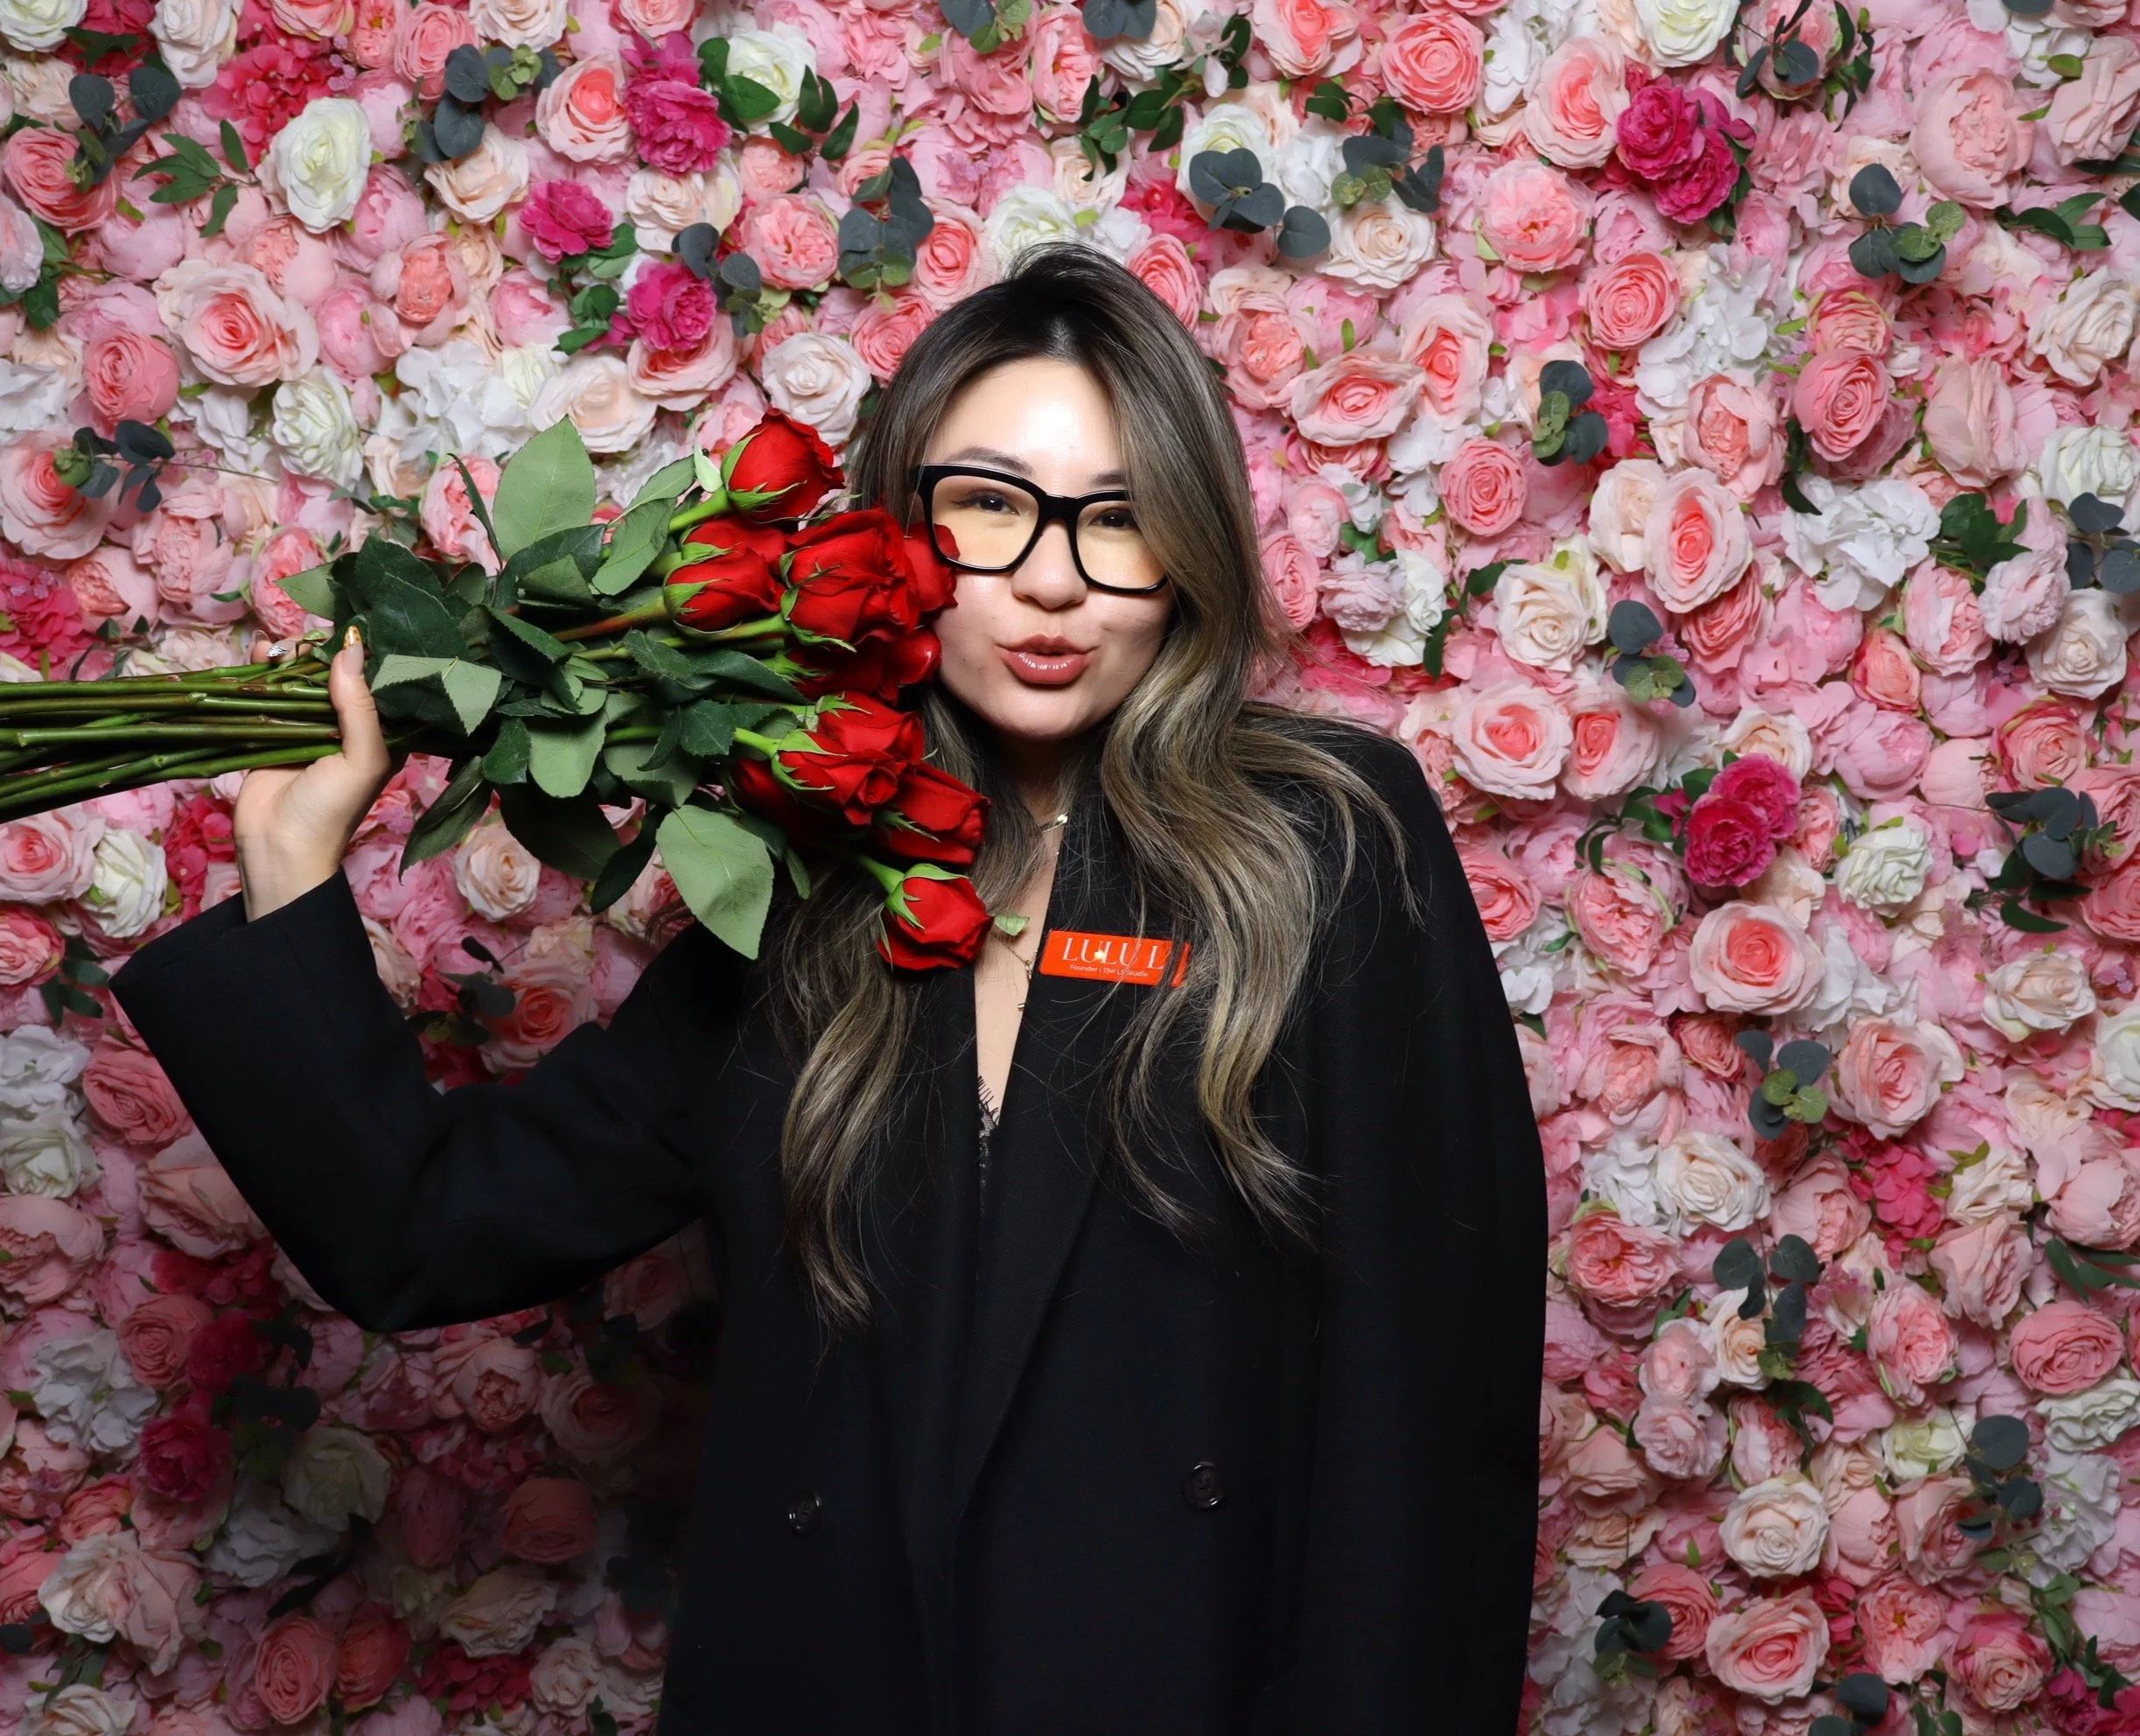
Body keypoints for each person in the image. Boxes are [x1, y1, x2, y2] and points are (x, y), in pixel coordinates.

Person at [113, 245, 1546, 1736]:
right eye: (989, 505)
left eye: (1117, 519)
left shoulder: (1317, 837)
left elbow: (1429, 1414)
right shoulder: (801, 879)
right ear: (898, 533)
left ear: (1188, 545)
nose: (1052, 578)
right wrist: (290, 874)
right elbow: (420, 1233)